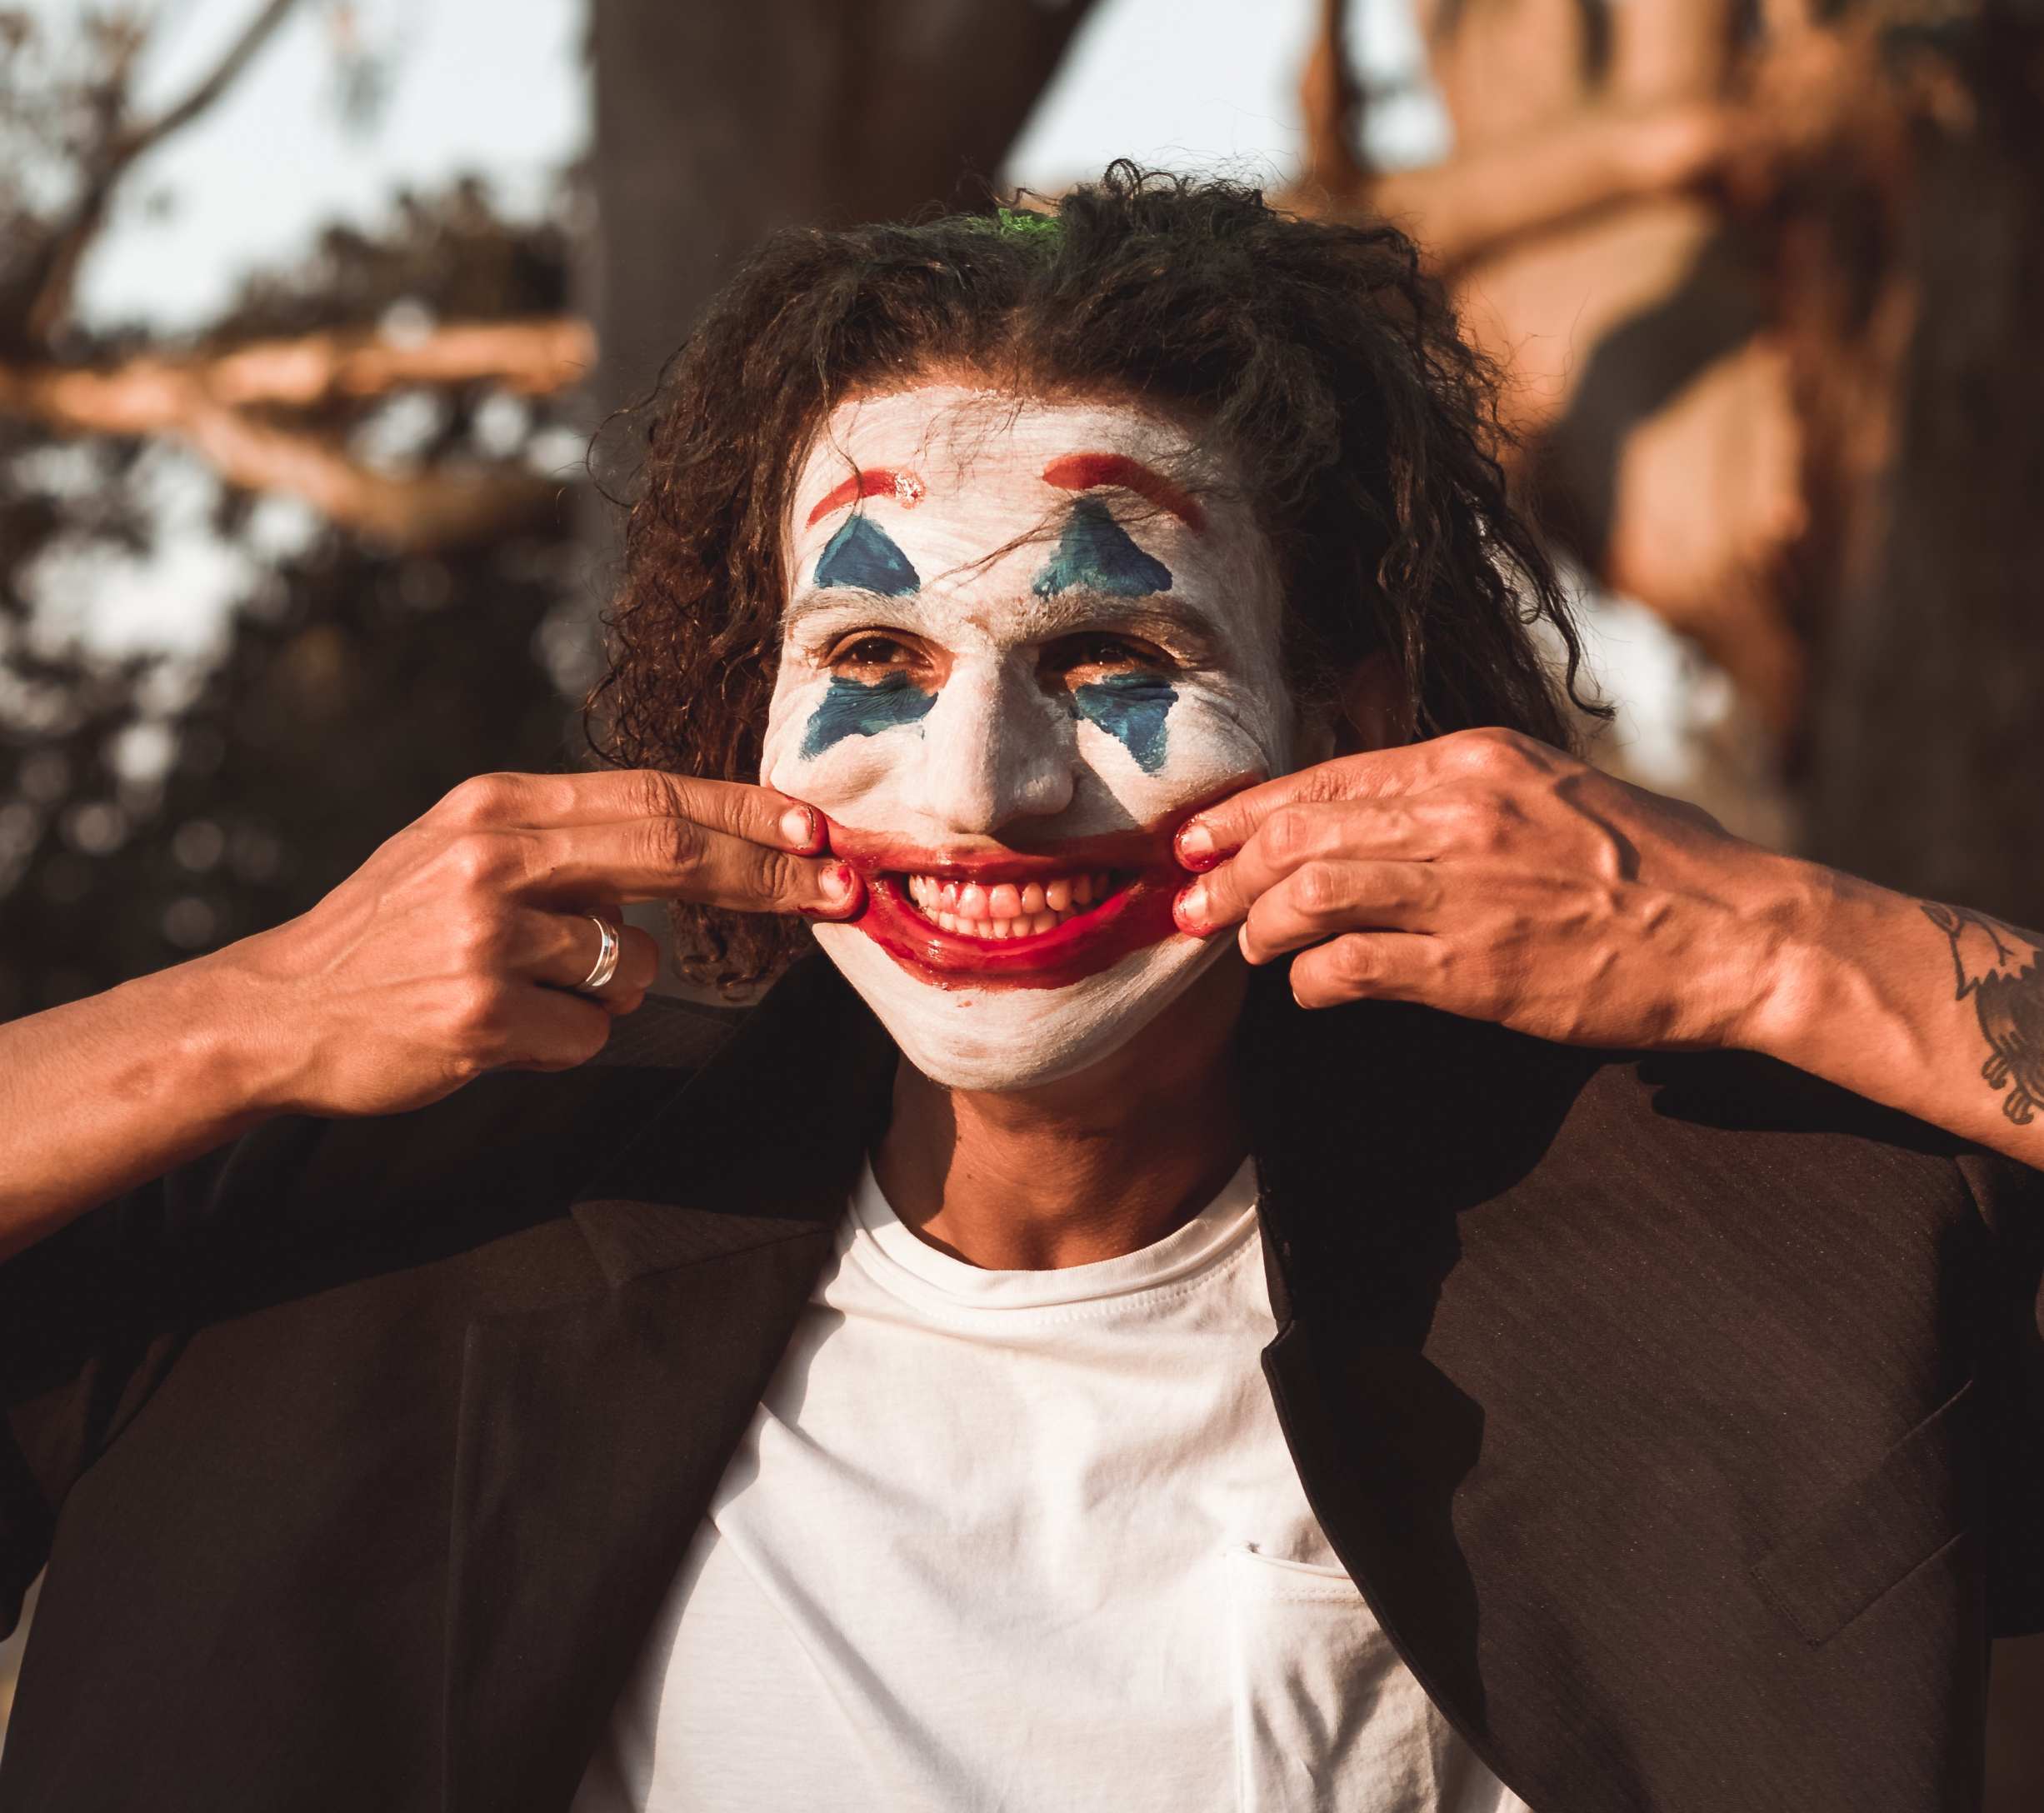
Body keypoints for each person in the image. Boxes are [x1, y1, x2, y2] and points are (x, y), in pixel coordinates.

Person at [1, 167, 2039, 1813]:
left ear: (1351, 721)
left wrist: (1773, 941)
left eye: (1106, 661)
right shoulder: (384, 1243)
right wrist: (256, 1013)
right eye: (873, 666)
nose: (982, 791)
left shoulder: (1753, 1258)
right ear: (754, 713)